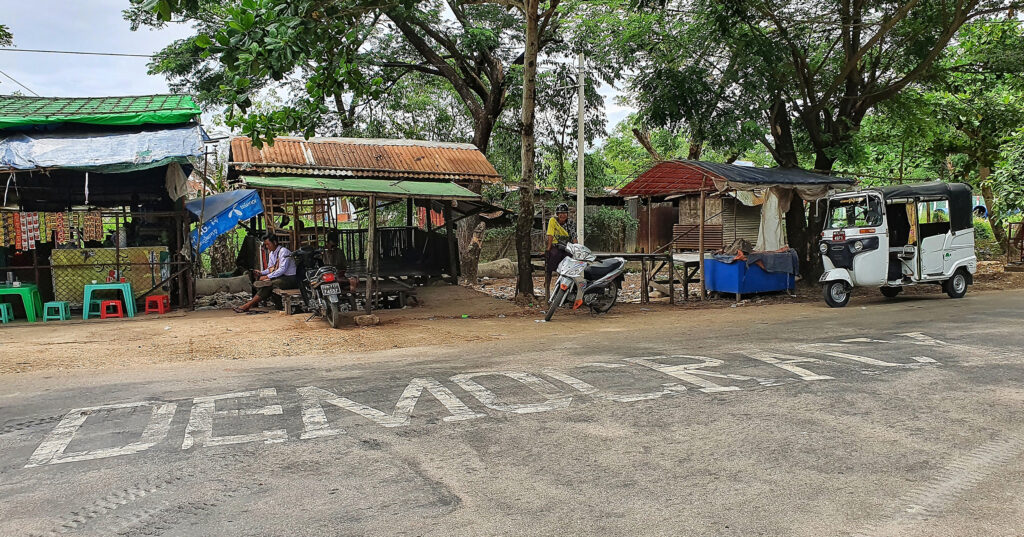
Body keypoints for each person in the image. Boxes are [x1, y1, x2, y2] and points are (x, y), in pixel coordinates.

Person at [235, 235, 298, 312]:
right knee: (266, 284)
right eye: (266, 245)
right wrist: (261, 273)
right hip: (281, 277)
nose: (267, 247)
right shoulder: (272, 253)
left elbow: (282, 269)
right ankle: (277, 305)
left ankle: (248, 305)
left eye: (268, 244)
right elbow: (270, 269)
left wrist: (267, 277)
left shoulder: (284, 252)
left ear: (275, 242)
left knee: (269, 284)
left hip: (290, 278)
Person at [544, 203, 575, 301]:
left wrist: (576, 249)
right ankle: (547, 281)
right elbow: (550, 235)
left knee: (569, 262)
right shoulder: (552, 221)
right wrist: (548, 249)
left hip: (567, 247)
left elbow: (574, 237)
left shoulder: (570, 223)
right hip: (556, 246)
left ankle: (565, 287)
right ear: (557, 214)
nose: (563, 215)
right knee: (553, 257)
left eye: (565, 213)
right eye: (560, 213)